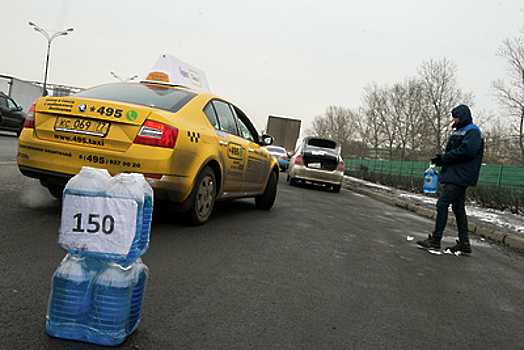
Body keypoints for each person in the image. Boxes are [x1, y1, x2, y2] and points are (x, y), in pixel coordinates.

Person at [417, 104, 484, 253]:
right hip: (455, 174)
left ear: (463, 116)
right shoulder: (459, 131)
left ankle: (436, 239)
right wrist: (442, 159)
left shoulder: (472, 131)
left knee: (442, 203)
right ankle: (464, 243)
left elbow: (467, 151)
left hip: (461, 175)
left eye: (456, 117)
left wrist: (445, 158)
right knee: (458, 208)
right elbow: (455, 151)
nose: (454, 119)